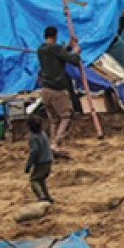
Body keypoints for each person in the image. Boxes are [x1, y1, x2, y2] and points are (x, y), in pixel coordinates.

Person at [37, 26, 81, 155]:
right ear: (55, 36)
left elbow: (59, 55)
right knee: (66, 116)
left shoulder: (41, 50)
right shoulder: (55, 49)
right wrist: (76, 51)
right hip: (57, 89)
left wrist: (69, 46)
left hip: (45, 89)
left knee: (54, 119)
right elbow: (73, 60)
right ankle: (56, 143)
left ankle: (52, 144)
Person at [24, 116, 54, 203]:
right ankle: (47, 197)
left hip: (41, 162)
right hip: (49, 160)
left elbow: (34, 151)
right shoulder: (43, 133)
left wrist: (28, 165)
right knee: (41, 179)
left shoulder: (33, 137)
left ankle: (41, 197)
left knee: (34, 180)